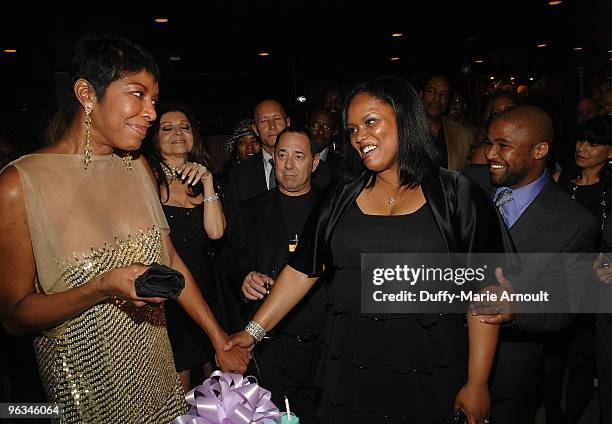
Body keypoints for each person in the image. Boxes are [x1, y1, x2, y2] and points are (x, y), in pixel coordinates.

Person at [225, 76, 513, 424]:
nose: (359, 136)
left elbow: (484, 294)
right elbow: (304, 268)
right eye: (351, 129)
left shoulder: (456, 193)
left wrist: (478, 383)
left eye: (370, 121)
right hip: (350, 363)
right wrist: (252, 332)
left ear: (404, 118)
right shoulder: (341, 193)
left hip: (427, 364)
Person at [0, 34, 248, 423]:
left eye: (154, 99)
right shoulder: (18, 184)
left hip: (158, 370)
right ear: (86, 93)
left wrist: (218, 338)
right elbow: (14, 315)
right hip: (86, 390)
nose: (151, 112)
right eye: (138, 94)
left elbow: (169, 258)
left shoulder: (136, 168)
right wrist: (102, 286)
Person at [464, 106, 599, 424]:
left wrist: (517, 307)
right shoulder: (466, 183)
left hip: (507, 374)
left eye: (503, 145)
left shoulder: (575, 223)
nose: (490, 154)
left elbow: (565, 305)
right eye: (488, 143)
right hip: (438, 358)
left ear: (540, 150)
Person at [227, 127, 327, 423]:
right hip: (269, 347)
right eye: (282, 155)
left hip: (323, 346)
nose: (289, 164)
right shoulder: (250, 210)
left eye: (299, 156)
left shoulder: (331, 209)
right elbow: (230, 258)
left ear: (315, 163)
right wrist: (243, 276)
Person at [145, 103, 228, 391]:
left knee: (218, 383)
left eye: (185, 127)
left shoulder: (205, 179)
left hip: (206, 290)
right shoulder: (147, 180)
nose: (178, 133)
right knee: (179, 386)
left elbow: (216, 233)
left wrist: (207, 182)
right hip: (170, 298)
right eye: (167, 128)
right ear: (155, 137)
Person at [420, 74, 476, 170]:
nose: (437, 98)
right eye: (431, 91)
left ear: (449, 100)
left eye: (444, 94)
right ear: (421, 94)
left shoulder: (463, 135)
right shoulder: (403, 129)